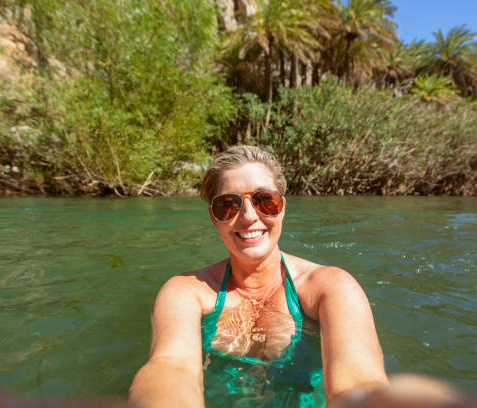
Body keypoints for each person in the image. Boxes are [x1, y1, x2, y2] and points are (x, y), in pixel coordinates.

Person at [128, 145, 388, 407]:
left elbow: (359, 381)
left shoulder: (331, 288)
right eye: (228, 205)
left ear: (282, 208)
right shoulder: (185, 292)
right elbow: (170, 367)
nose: (249, 216)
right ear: (214, 218)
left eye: (265, 200)